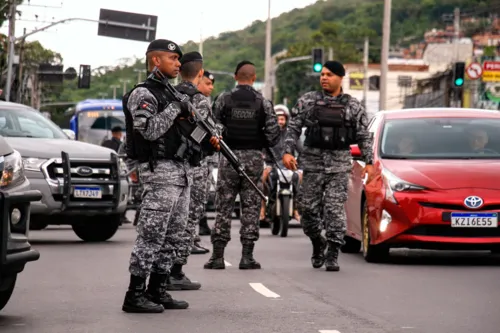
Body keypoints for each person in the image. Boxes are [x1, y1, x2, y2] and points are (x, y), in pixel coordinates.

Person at [120, 38, 220, 313]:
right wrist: (178, 108)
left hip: (182, 171)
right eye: (173, 59)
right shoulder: (144, 93)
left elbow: (185, 132)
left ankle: (158, 290)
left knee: (174, 234)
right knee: (152, 234)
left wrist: (207, 138)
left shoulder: (173, 93)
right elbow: (149, 131)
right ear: (156, 60)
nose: (178, 63)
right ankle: (135, 294)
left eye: (178, 60)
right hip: (159, 171)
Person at [282, 60, 374, 272]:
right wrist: (288, 152)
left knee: (334, 211)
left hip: (339, 167)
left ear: (341, 78)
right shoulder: (309, 101)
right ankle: (317, 242)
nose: (324, 77)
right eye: (322, 74)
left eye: (330, 74)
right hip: (312, 164)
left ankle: (332, 252)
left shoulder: (353, 106)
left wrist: (369, 162)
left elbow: (363, 137)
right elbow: (294, 127)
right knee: (307, 211)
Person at [204, 60, 280, 270]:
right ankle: (247, 257)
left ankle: (217, 257)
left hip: (228, 159)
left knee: (224, 207)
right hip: (254, 160)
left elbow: (212, 127)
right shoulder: (263, 103)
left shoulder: (223, 99)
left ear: (235, 77)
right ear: (254, 79)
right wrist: (260, 139)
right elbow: (274, 135)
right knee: (251, 207)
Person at [166, 51, 211, 292]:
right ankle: (175, 271)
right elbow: (207, 134)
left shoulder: (169, 94)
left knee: (171, 220)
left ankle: (165, 270)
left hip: (169, 164)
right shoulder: (200, 99)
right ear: (200, 72)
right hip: (193, 166)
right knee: (187, 220)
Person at [260, 105, 302, 223]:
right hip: (271, 164)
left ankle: (295, 208)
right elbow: (262, 148)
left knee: (300, 177)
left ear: (286, 119)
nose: (280, 121)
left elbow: (300, 149)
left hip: (289, 166)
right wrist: (262, 156)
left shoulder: (291, 135)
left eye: (282, 119)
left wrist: (302, 159)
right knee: (261, 178)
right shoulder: (268, 133)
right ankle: (262, 208)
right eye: (278, 119)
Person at [196, 70, 216, 237]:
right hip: (197, 157)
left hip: (208, 158)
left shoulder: (208, 103)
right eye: (208, 83)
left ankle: (201, 224)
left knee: (203, 194)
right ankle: (193, 233)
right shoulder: (194, 102)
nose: (211, 87)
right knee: (195, 195)